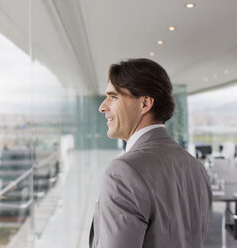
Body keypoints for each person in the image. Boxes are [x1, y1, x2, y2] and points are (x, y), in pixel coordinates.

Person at [89, 58, 212, 248]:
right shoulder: (195, 165)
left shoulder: (124, 171)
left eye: (113, 97)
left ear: (145, 103)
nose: (102, 107)